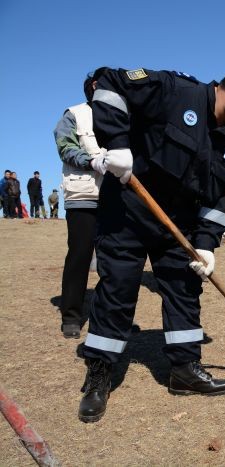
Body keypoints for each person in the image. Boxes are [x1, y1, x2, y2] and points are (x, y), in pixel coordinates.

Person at [78, 55, 225, 423]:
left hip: (180, 224)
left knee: (184, 289)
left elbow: (223, 200)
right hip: (128, 209)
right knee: (118, 290)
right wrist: (119, 143)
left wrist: (206, 242)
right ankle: (99, 374)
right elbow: (108, 82)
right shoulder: (175, 91)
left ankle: (184, 370)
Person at [53, 67, 109, 339]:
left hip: (115, 197)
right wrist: (92, 161)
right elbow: (65, 147)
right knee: (80, 255)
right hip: (83, 196)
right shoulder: (74, 114)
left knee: (114, 260)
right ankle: (71, 315)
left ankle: (108, 315)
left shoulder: (123, 116)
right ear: (95, 85)